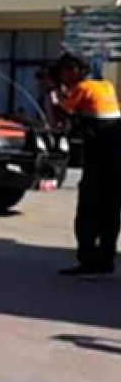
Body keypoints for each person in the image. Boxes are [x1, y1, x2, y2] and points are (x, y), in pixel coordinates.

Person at [52, 53, 121, 277]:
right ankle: (106, 261)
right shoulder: (106, 86)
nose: (62, 76)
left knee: (88, 211)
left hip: (99, 157)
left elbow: (62, 115)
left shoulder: (82, 88)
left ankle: (89, 262)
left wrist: (54, 94)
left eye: (63, 71)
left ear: (73, 71)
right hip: (115, 156)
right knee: (111, 211)